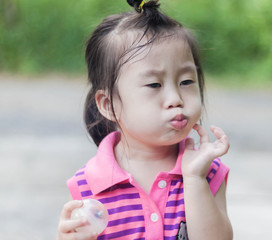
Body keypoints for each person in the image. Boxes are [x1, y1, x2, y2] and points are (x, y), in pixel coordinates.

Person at [57, 0, 233, 239]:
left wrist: (194, 179)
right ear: (109, 105)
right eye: (154, 85)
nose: (176, 99)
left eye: (186, 82)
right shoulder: (88, 186)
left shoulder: (206, 170)